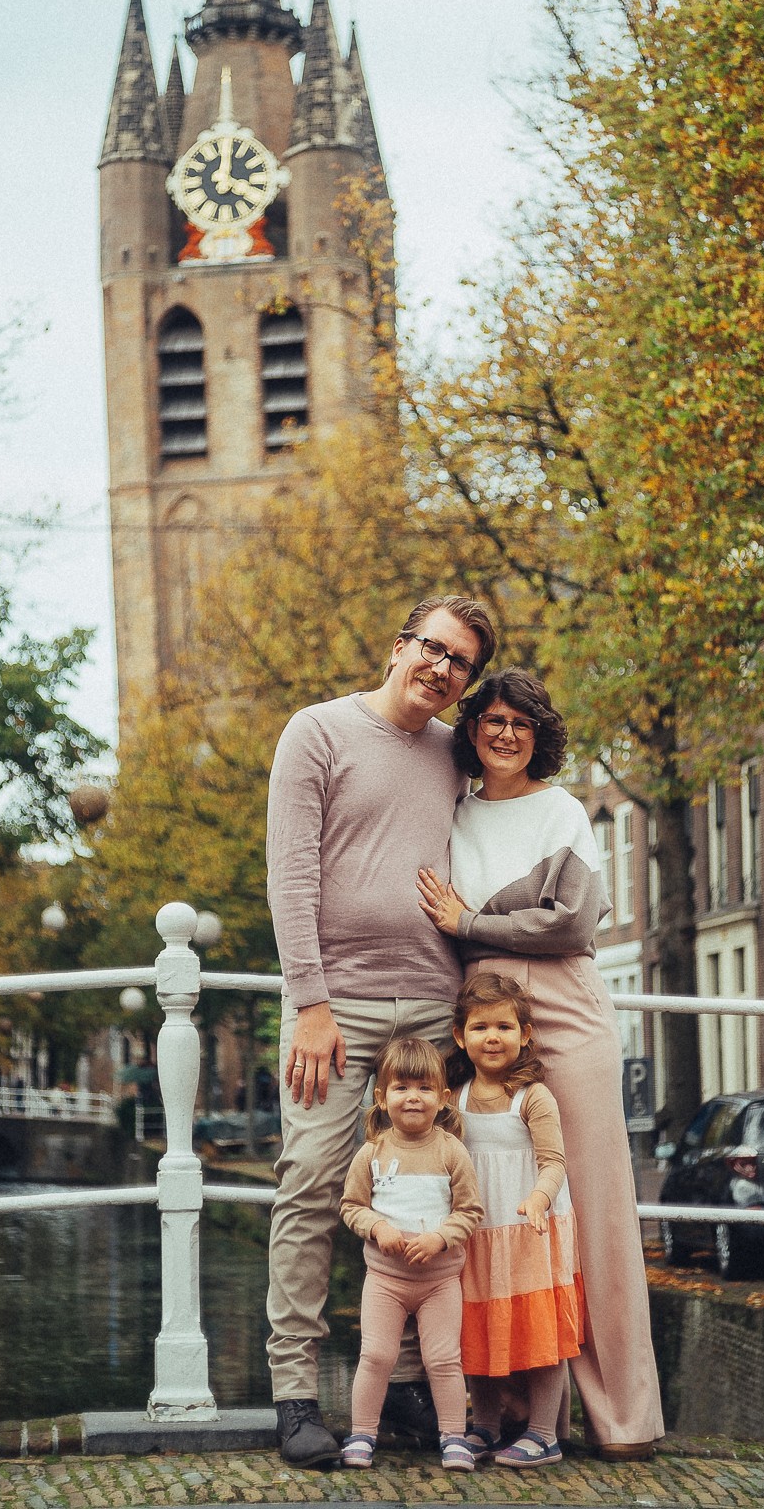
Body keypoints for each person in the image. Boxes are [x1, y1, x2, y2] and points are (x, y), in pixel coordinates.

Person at [264, 594, 497, 1467]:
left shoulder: (452, 756)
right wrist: (311, 1002)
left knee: (420, 1191)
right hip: (337, 1006)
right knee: (314, 1185)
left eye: (459, 663)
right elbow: (289, 874)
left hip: (433, 1008)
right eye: (433, 649)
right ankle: (296, 1394)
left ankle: (403, 1387)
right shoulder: (316, 732)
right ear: (399, 646)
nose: (441, 669)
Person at [418, 668, 664, 1457]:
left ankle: (623, 1418)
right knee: (500, 1203)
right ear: (471, 729)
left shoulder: (560, 809)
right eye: (490, 718)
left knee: (591, 1202)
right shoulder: (451, 814)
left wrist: (473, 920)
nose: (503, 733)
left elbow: (574, 922)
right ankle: (528, 1420)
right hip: (485, 1011)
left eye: (520, 722)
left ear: (538, 734)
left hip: (565, 1009)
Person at [451, 971, 582, 1469]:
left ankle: (544, 1432)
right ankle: (484, 1423)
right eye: (481, 1027)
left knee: (540, 1331)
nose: (492, 1037)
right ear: (461, 1037)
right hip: (478, 1232)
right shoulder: (455, 1098)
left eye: (504, 1027)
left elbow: (554, 1161)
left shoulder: (533, 1096)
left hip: (529, 1230)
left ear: (525, 1034)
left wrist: (538, 1199)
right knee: (477, 1325)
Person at [338, 1037, 483, 1473]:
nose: (413, 1097)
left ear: (442, 1098)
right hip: (385, 1280)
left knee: (442, 1359)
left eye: (424, 1089)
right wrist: (377, 1226)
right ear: (382, 1098)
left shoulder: (451, 1151)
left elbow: (470, 1210)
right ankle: (362, 1431)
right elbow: (351, 1206)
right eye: (401, 1088)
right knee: (377, 1356)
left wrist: (441, 1238)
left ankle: (454, 1436)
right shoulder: (372, 1153)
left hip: (440, 1281)